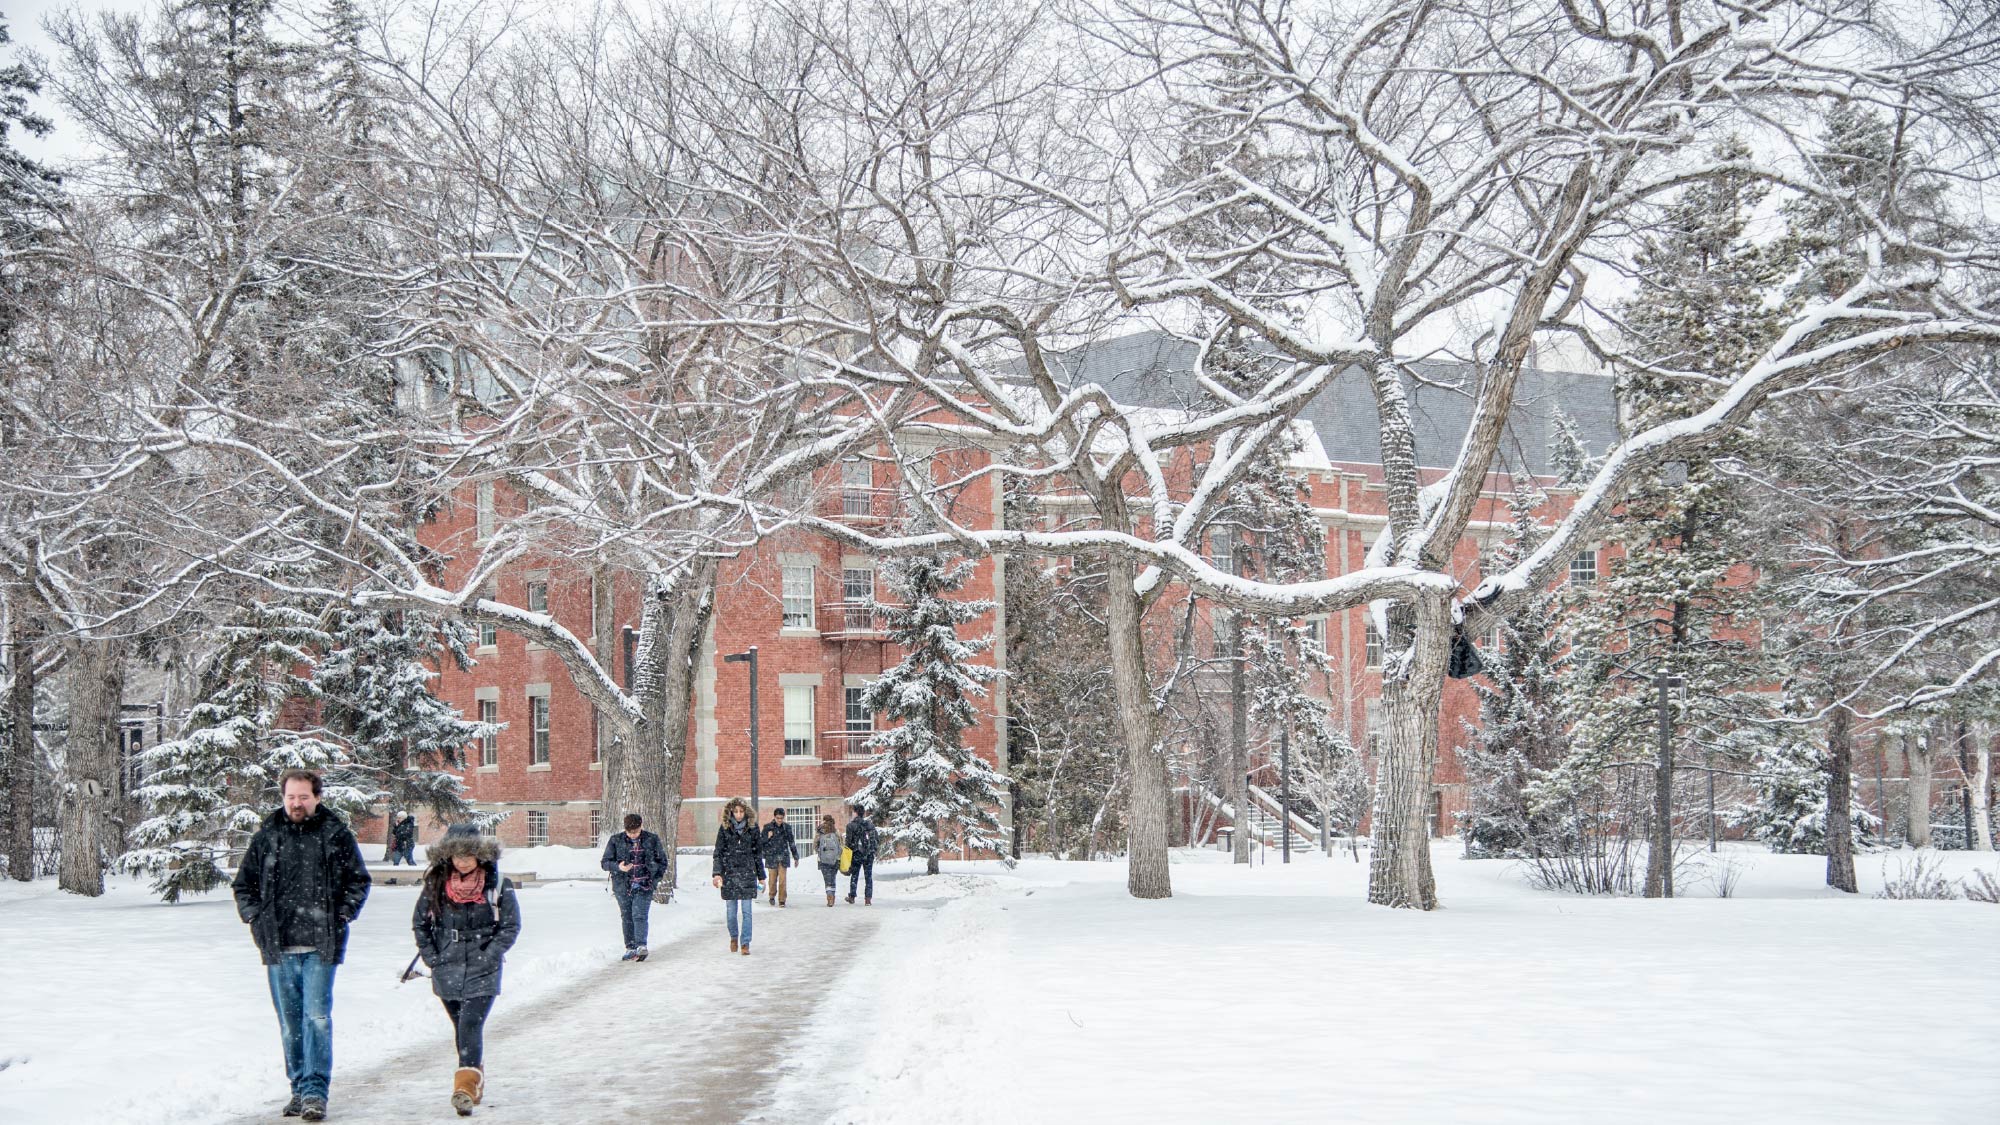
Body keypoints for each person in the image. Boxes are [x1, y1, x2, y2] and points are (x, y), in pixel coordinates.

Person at [231, 768, 372, 1122]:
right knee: (290, 1022)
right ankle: (298, 1087)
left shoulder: (335, 834)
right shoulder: (268, 836)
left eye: (303, 797)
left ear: (317, 797)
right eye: (291, 797)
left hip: (320, 945)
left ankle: (315, 1091)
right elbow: (243, 885)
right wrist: (256, 918)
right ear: (283, 797)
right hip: (278, 946)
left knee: (317, 1018)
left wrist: (342, 914)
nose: (296, 803)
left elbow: (359, 880)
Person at [413, 823, 521, 1117]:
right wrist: (432, 957)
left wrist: (490, 955)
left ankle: (464, 1087)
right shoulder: (436, 883)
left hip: (482, 966)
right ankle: (474, 1076)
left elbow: (510, 925)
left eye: (467, 854)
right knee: (460, 1026)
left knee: (470, 1024)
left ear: (480, 855)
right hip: (446, 964)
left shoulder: (497, 884)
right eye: (455, 855)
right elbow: (420, 924)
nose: (461, 861)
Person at [599, 813, 668, 961]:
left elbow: (662, 862)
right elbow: (605, 862)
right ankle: (630, 947)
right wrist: (618, 867)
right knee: (627, 917)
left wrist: (654, 880)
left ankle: (641, 946)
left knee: (640, 915)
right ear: (625, 830)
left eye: (635, 832)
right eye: (630, 832)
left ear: (641, 826)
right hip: (622, 886)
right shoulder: (616, 840)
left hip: (644, 884)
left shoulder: (651, 839)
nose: (633, 835)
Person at [711, 797, 765, 954]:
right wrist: (717, 874)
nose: (739, 815)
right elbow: (718, 853)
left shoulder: (753, 829)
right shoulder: (725, 829)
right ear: (731, 812)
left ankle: (745, 943)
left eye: (741, 811)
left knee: (747, 911)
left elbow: (757, 854)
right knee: (731, 912)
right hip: (730, 874)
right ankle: (734, 937)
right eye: (736, 812)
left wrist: (761, 876)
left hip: (748, 873)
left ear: (746, 812)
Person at [759, 806, 798, 907]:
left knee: (782, 880)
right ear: (774, 817)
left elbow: (791, 842)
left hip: (783, 857)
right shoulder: (768, 827)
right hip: (771, 857)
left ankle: (782, 900)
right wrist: (768, 837)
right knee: (772, 880)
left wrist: (795, 856)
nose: (780, 820)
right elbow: (761, 842)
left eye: (781, 818)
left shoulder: (787, 828)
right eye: (778, 818)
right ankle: (771, 896)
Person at [844, 802, 879, 905]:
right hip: (869, 853)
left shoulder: (851, 826)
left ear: (855, 813)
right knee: (868, 876)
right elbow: (876, 838)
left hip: (856, 853)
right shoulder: (870, 824)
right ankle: (868, 899)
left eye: (853, 812)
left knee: (854, 875)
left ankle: (852, 896)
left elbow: (848, 842)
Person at [814, 815, 842, 907]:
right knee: (833, 878)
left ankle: (829, 896)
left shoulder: (820, 832)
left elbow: (815, 845)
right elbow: (841, 844)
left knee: (827, 879)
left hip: (823, 859)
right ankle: (832, 897)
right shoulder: (836, 831)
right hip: (835, 859)